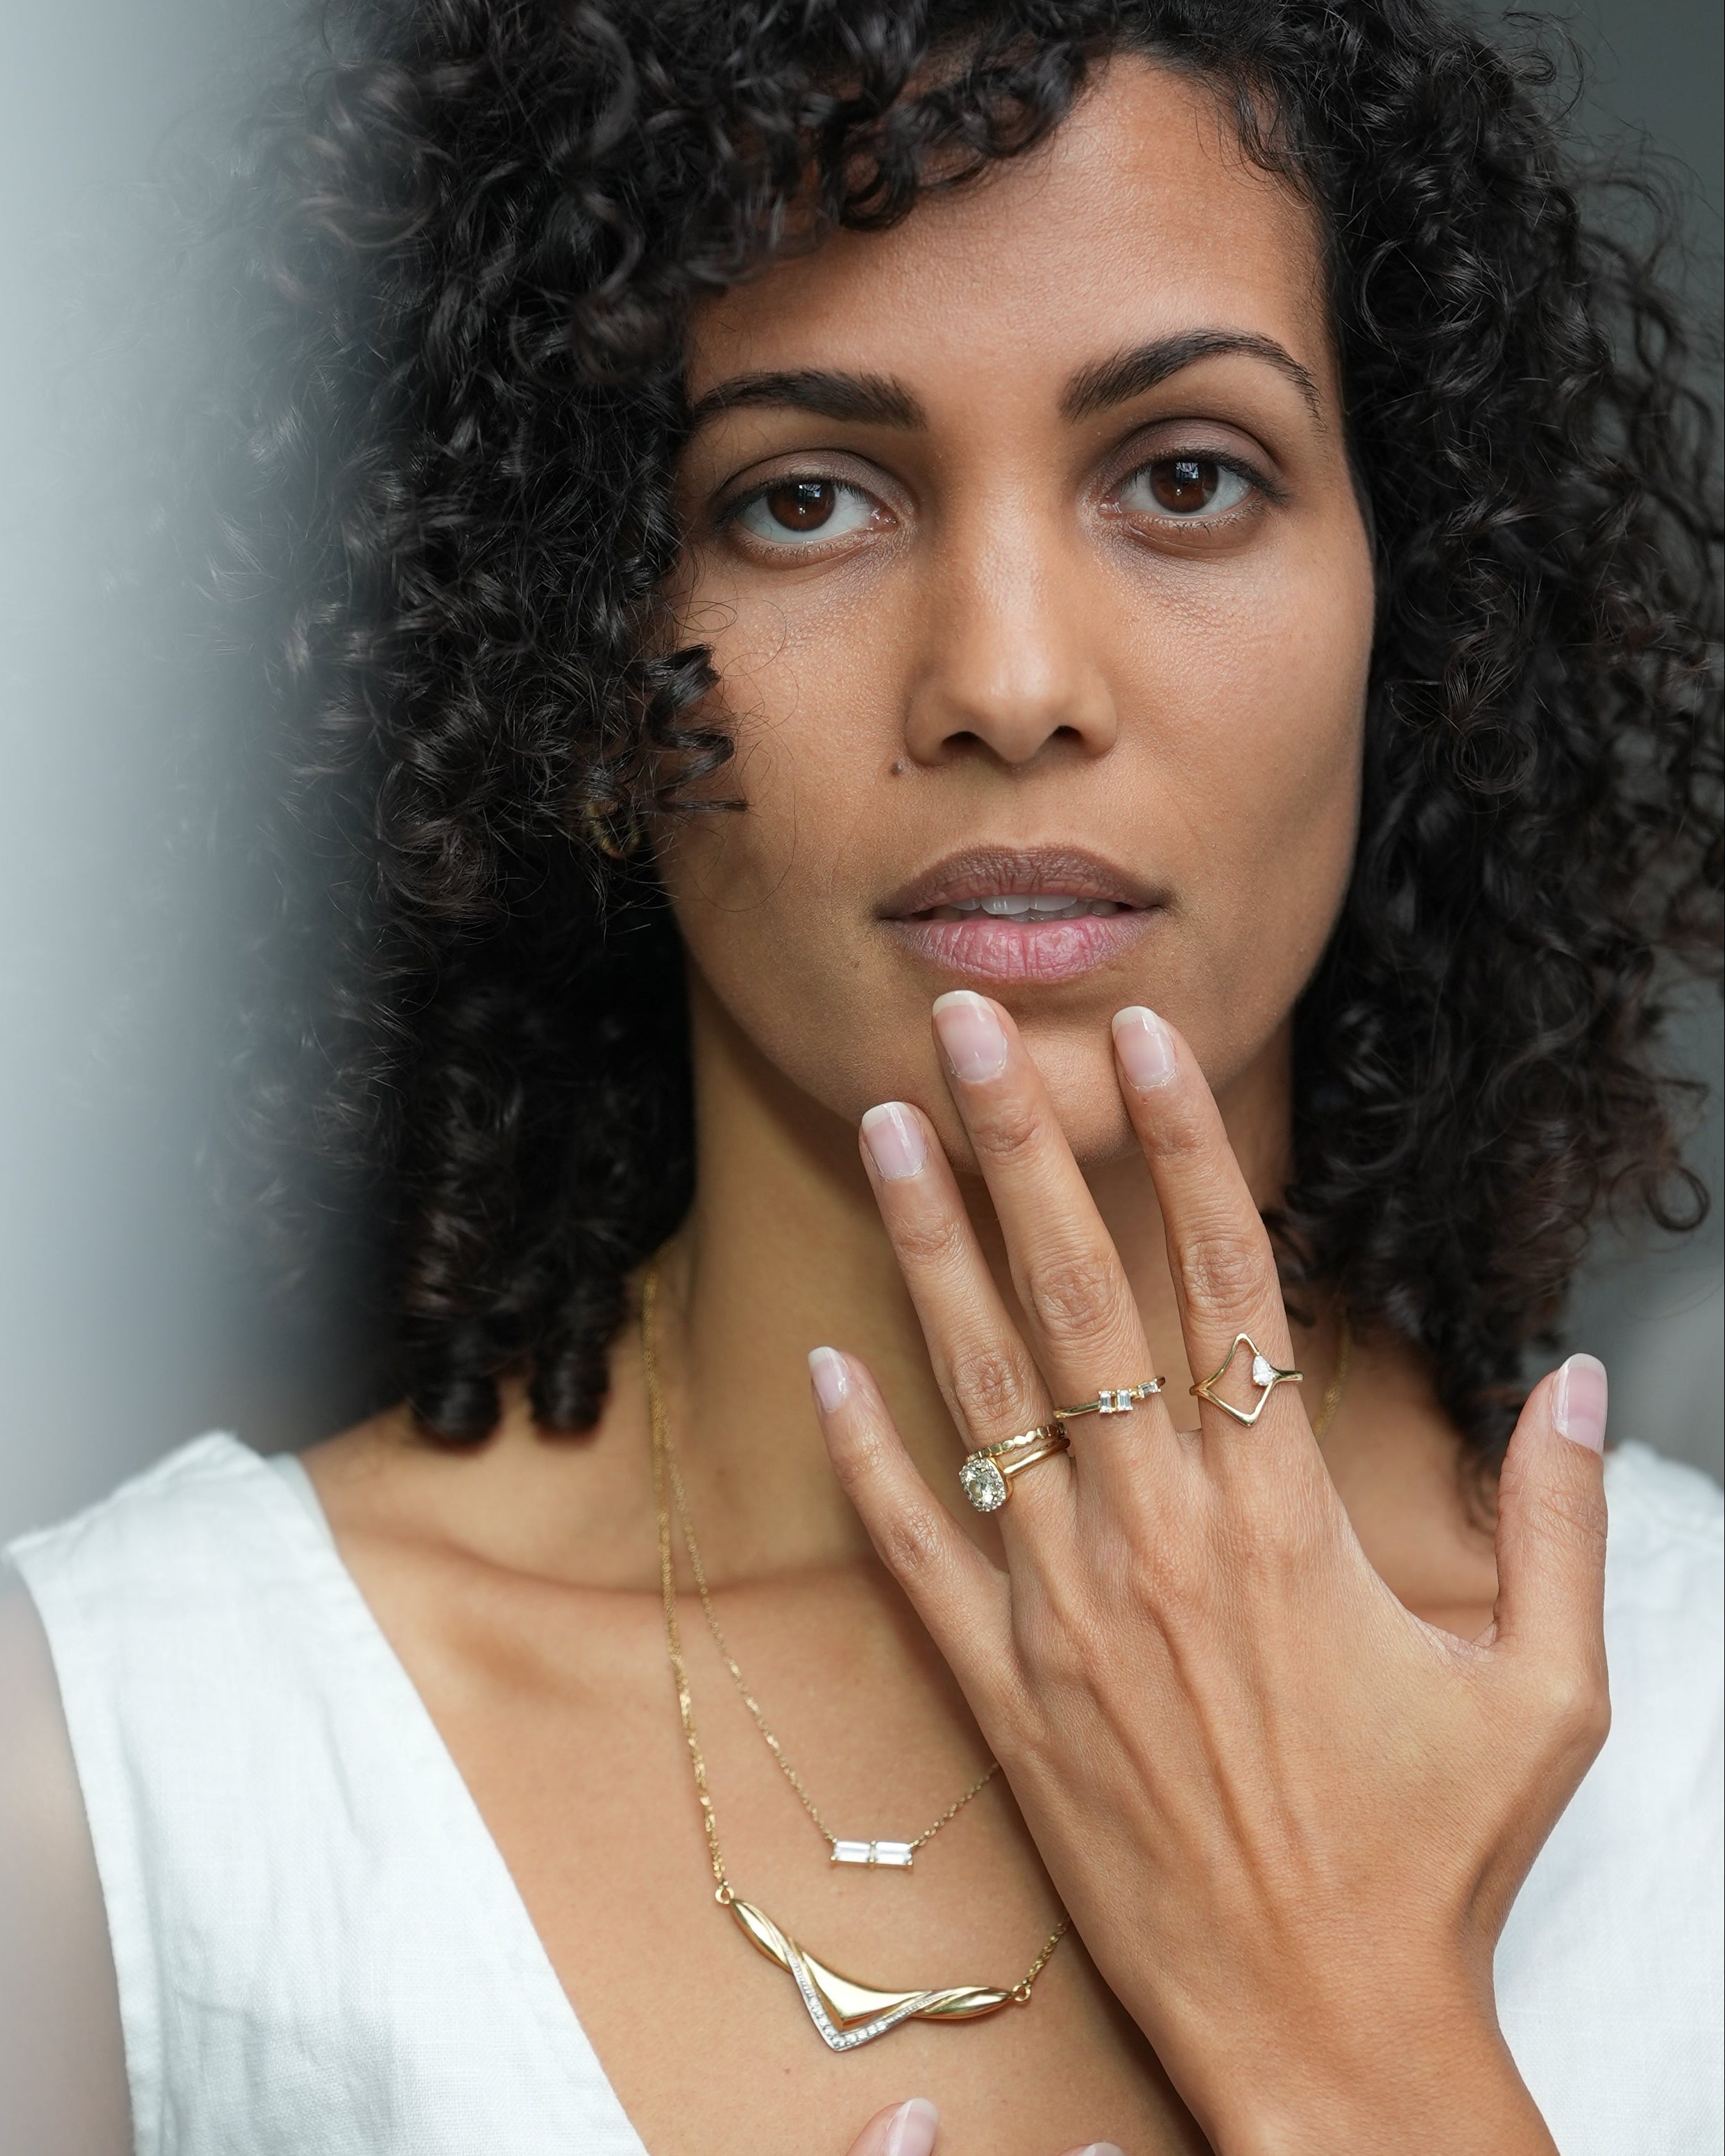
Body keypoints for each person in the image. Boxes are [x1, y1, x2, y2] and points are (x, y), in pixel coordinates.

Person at [1, 3, 1720, 2152]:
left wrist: (1358, 2035)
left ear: (1425, 602)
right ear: (568, 655)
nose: (1007, 677)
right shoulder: (117, 1772)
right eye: (806, 498)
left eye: (1187, 475)